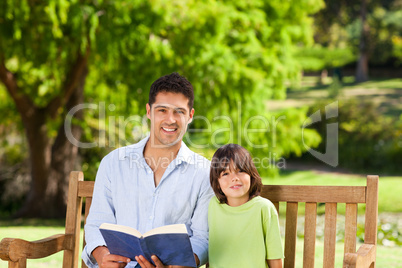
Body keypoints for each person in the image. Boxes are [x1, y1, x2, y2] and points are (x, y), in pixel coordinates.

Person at [82, 72, 214, 268]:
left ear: (190, 116)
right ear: (149, 111)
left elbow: (203, 237)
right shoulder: (113, 163)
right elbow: (96, 224)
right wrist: (102, 256)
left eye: (179, 111)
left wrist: (182, 264)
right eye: (162, 110)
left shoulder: (204, 172)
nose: (170, 120)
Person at [208, 144, 284, 268]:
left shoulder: (263, 208)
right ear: (217, 183)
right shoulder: (213, 205)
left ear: (251, 175)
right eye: (226, 173)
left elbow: (275, 256)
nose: (235, 178)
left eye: (240, 171)